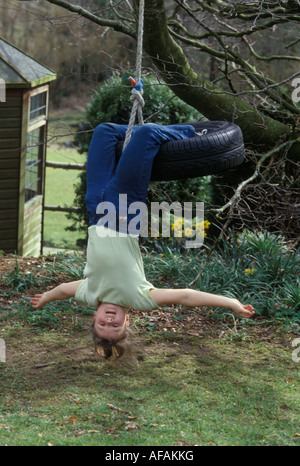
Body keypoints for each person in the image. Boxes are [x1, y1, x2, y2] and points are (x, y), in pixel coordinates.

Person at [31, 123, 254, 361]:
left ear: (94, 316)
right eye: (115, 326)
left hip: (96, 209)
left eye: (102, 325)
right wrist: (231, 303)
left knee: (104, 132)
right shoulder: (138, 298)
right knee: (147, 134)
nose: (109, 320)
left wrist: (46, 297)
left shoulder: (90, 293)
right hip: (125, 210)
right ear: (127, 320)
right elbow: (185, 297)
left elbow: (64, 290)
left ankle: (143, 138)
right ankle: (194, 135)